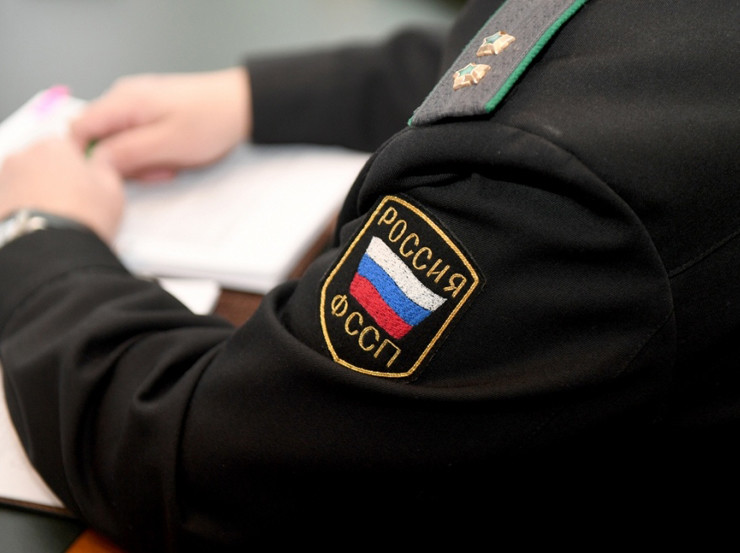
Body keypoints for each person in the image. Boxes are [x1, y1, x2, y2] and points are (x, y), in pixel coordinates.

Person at [0, 0, 738, 549]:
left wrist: (39, 233)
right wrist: (257, 100)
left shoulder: (546, 198)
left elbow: (207, 462)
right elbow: (536, 45)